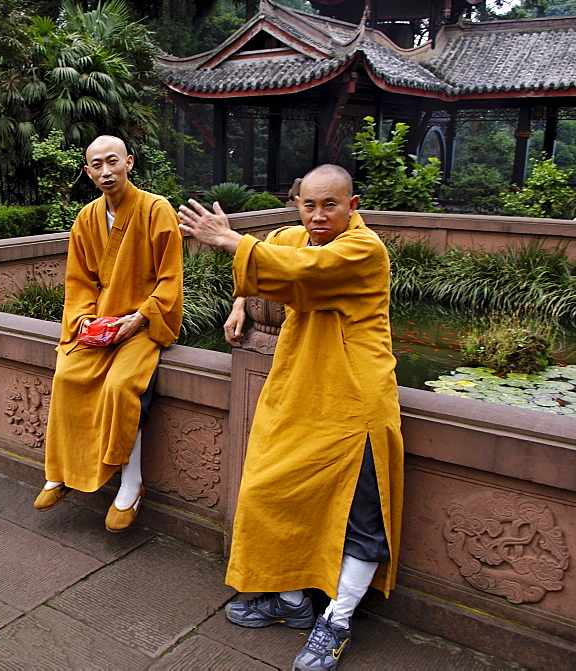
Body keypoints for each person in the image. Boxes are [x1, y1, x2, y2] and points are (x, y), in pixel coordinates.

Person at [177, 164, 403, 670]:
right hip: (305, 394)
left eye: (331, 206)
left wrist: (230, 242)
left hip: (356, 402)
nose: (319, 216)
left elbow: (299, 273)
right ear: (297, 204)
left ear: (353, 205)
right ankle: (295, 600)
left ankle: (337, 621)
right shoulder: (299, 235)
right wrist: (240, 300)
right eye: (309, 205)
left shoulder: (364, 250)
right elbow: (276, 254)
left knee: (361, 521)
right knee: (270, 490)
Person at [34, 135, 183, 533]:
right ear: (87, 172)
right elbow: (78, 280)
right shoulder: (86, 218)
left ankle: (130, 484)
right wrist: (83, 320)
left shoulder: (156, 210)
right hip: (101, 325)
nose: (105, 171)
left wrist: (140, 318)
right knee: (67, 375)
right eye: (96, 165)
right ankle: (62, 472)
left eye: (112, 161)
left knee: (120, 388)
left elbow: (170, 279)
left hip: (142, 325)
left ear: (129, 163)